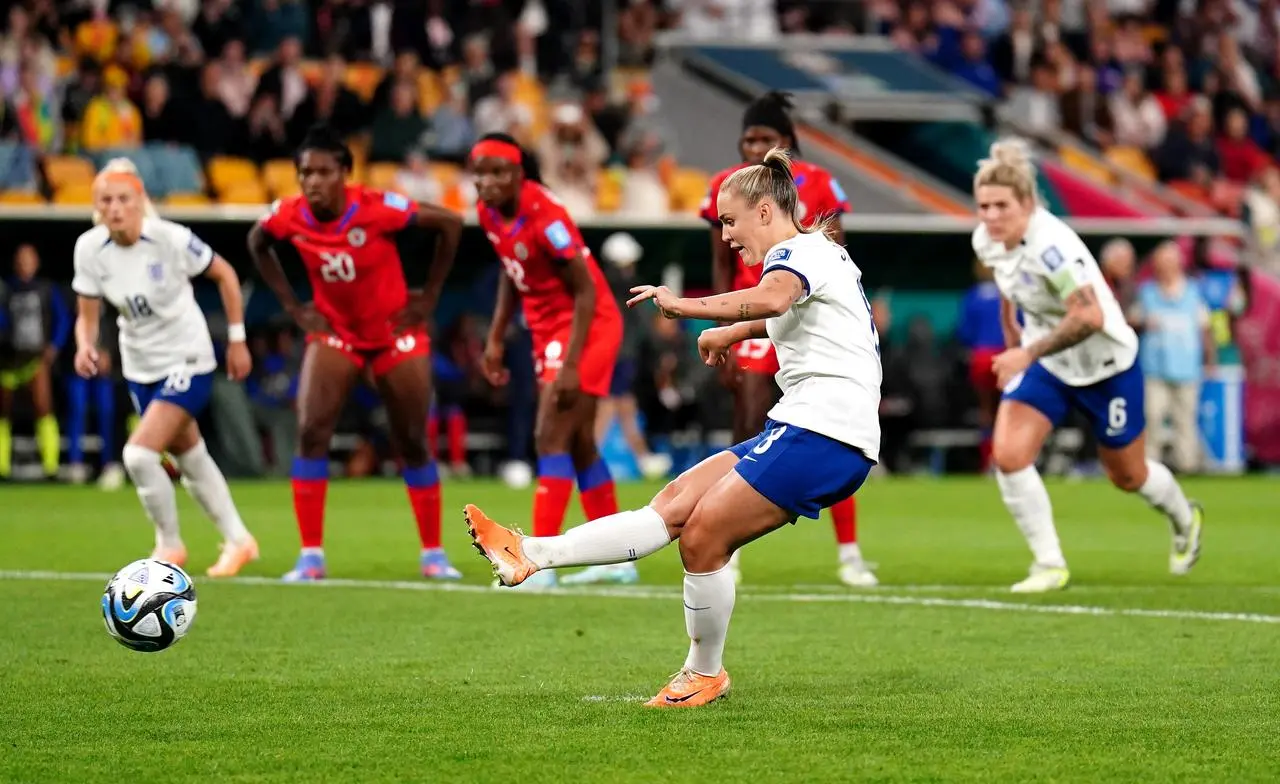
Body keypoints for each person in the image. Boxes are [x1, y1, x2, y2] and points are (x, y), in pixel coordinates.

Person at [465, 148, 880, 707]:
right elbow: (785, 307)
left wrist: (682, 307)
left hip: (827, 432)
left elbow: (773, 297)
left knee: (705, 534)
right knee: (676, 503)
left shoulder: (796, 252)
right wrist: (730, 335)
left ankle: (703, 673)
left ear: (764, 211)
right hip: (805, 424)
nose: (726, 235)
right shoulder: (813, 253)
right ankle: (530, 552)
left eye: (729, 220)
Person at [972, 138, 1204, 593]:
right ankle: (1048, 563)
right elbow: (1007, 281)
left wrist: (1027, 352)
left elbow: (1090, 315)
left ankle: (1184, 516)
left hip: (1107, 365)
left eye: (1001, 205)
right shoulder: (988, 239)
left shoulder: (1053, 248)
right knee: (1010, 454)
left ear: (1028, 203)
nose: (991, 216)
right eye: (984, 205)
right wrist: (1013, 334)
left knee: (1127, 475)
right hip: (1051, 365)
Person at [248, 124, 464, 582]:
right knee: (311, 430)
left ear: (345, 172)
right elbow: (257, 241)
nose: (313, 181)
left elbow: (450, 222)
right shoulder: (288, 215)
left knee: (410, 438)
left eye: (324, 172)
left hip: (392, 332)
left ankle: (433, 554)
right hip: (337, 333)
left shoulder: (376, 208)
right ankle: (310, 556)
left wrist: (427, 300)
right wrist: (293, 307)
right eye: (305, 173)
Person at [700, 90, 874, 588]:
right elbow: (719, 258)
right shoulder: (727, 186)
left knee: (830, 428)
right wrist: (726, 325)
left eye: (766, 139)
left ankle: (849, 552)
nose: (755, 147)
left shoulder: (818, 183)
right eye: (749, 137)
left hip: (804, 307)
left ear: (787, 142)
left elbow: (835, 247)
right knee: (750, 415)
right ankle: (727, 537)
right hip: (754, 311)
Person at [71, 159, 259, 577]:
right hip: (141, 366)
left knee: (138, 455)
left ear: (141, 201)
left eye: (123, 199)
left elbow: (226, 275)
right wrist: (85, 345)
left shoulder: (171, 239)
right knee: (190, 455)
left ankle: (169, 546)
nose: (115, 207)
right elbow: (87, 313)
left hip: (187, 358)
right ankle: (240, 540)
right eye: (106, 200)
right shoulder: (88, 248)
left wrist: (237, 339)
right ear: (96, 206)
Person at [471, 133, 624, 590]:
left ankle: (534, 562)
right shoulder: (488, 213)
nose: (487, 181)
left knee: (549, 434)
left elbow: (586, 289)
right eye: (480, 172)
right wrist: (496, 335)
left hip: (586, 325)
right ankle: (618, 557)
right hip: (547, 331)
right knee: (579, 445)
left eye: (498, 172)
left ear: (519, 175)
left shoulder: (547, 215)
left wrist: (572, 363)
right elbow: (508, 269)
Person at [1134, 241, 1215, 473]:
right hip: (1154, 367)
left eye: (1169, 262)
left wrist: (1209, 360)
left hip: (1187, 367)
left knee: (1185, 420)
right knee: (1152, 418)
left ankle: (1186, 465)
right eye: (1161, 262)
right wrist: (1142, 323)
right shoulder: (1147, 292)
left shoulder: (1192, 291)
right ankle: (1150, 468)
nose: (1165, 267)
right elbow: (1133, 322)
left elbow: (1205, 328)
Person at [0, 244, 70, 480]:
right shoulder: (6, 289)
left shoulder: (46, 289)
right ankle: (3, 469)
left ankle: (51, 467)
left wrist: (55, 346)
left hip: (35, 358)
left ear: (36, 263)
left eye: (29, 260)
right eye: (21, 260)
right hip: (8, 360)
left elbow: (62, 319)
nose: (24, 265)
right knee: (3, 412)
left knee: (44, 408)